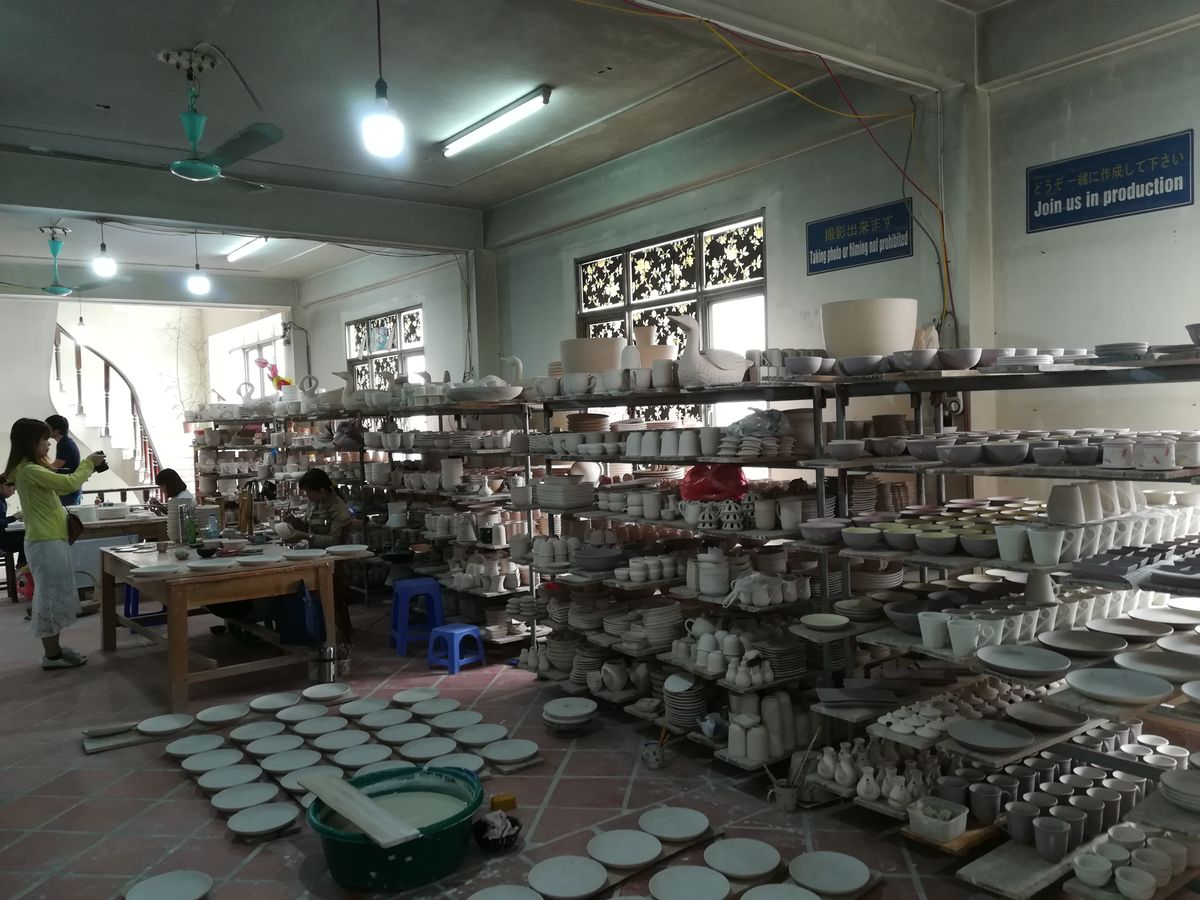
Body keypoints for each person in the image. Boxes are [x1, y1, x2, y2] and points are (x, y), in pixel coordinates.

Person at [6, 418, 104, 669]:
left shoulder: (29, 469)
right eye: (43, 440)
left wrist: (85, 470)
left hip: (50, 540)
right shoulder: (29, 470)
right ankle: (51, 655)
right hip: (45, 541)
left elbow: (60, 487)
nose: (48, 444)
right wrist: (88, 463)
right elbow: (69, 484)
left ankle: (55, 650)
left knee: (57, 595)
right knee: (50, 598)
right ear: (31, 443)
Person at [285, 469, 354, 640]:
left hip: (330, 562)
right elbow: (308, 525)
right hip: (314, 555)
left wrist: (306, 536)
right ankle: (299, 628)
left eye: (309, 492)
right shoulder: (315, 502)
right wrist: (294, 522)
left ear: (321, 491)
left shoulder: (338, 509)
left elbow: (334, 541)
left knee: (290, 581)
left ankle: (315, 630)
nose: (307, 496)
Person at [46, 415, 82, 506]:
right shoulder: (67, 442)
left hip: (68, 489)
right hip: (71, 487)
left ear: (56, 430)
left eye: (47, 427)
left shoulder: (64, 444)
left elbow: (55, 467)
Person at [0, 474, 24, 566]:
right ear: (4, 485)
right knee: (26, 540)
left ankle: (22, 566)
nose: (13, 493)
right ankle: (21, 567)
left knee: (26, 534)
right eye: (13, 489)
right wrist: (14, 517)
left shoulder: (2, 500)